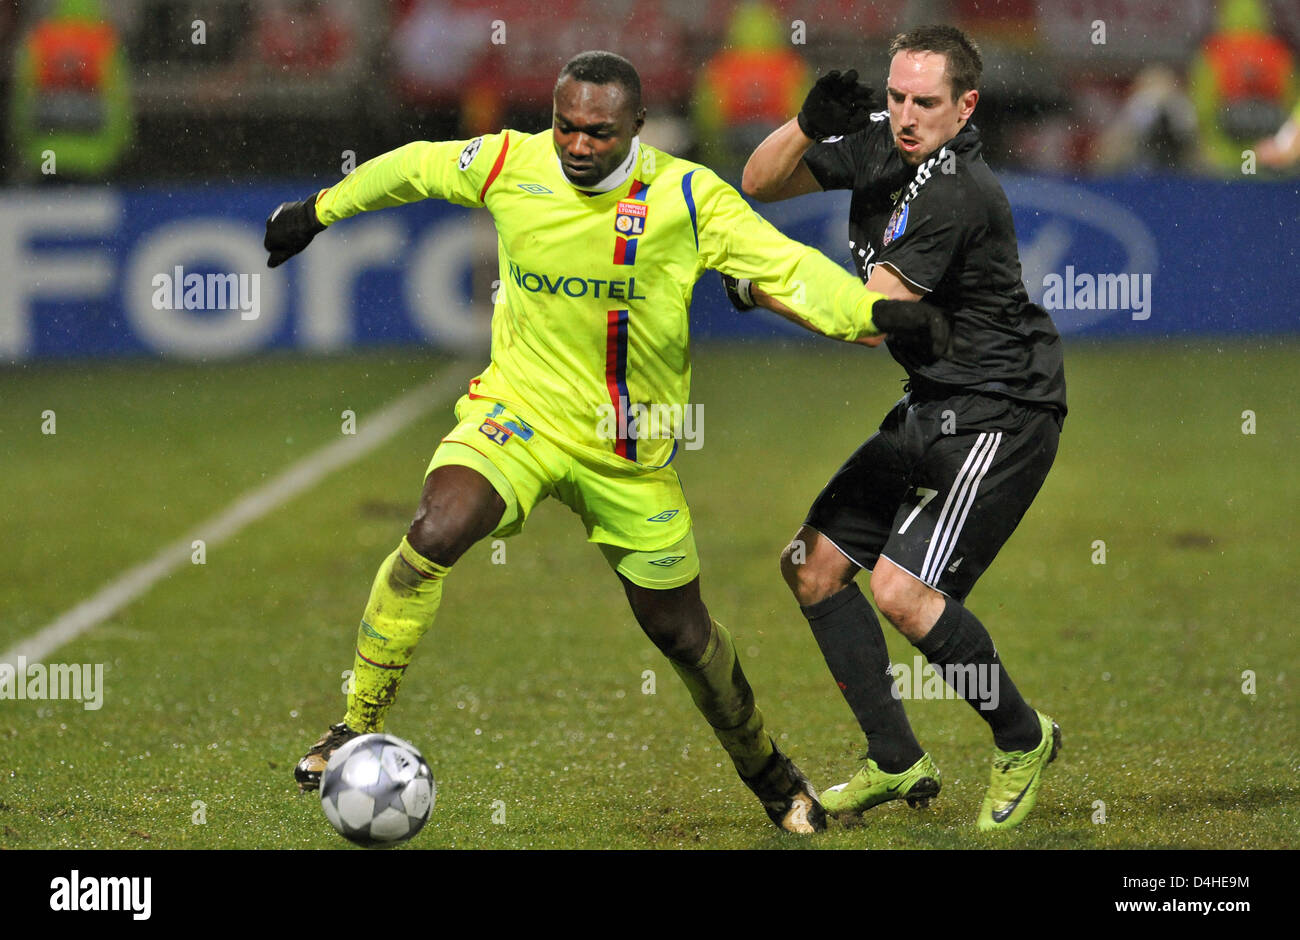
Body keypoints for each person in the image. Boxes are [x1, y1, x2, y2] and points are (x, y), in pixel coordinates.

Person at [264, 50, 939, 834]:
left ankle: (769, 770)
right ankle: (354, 723)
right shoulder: (512, 161)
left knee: (681, 634)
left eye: (598, 133)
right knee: (433, 532)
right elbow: (414, 166)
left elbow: (786, 268)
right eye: (567, 127)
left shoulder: (687, 196)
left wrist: (876, 314)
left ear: (637, 129)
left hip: (629, 454)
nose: (578, 145)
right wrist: (317, 210)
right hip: (519, 414)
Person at [740, 24, 1067, 831]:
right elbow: (758, 180)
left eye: (926, 102)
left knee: (903, 592)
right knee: (812, 566)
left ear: (967, 107)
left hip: (1001, 411)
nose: (906, 115)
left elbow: (865, 318)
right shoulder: (886, 144)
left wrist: (757, 291)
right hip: (933, 403)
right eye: (896, 97)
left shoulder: (956, 189)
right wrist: (807, 124)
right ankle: (895, 759)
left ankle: (1023, 738)